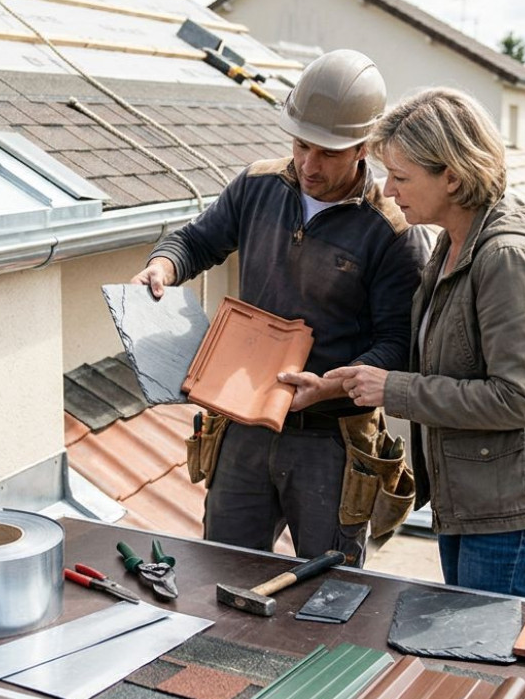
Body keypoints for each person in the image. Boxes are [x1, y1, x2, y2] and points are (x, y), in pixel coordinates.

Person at [131, 50, 428, 566]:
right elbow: (196, 242)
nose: (309, 165)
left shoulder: (393, 233)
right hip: (242, 424)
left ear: (363, 146)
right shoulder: (257, 185)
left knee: (328, 592)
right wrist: (163, 265)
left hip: (331, 443)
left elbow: (398, 347)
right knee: (222, 573)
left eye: (328, 153)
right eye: (300, 145)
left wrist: (330, 387)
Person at [327, 87, 525, 597]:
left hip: (514, 509)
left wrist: (395, 390)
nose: (386, 189)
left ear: (452, 175)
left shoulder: (507, 260)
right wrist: (341, 382)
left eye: (402, 177)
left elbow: (518, 399)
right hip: (476, 498)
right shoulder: (453, 241)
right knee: (464, 645)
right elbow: (444, 352)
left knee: (478, 658)